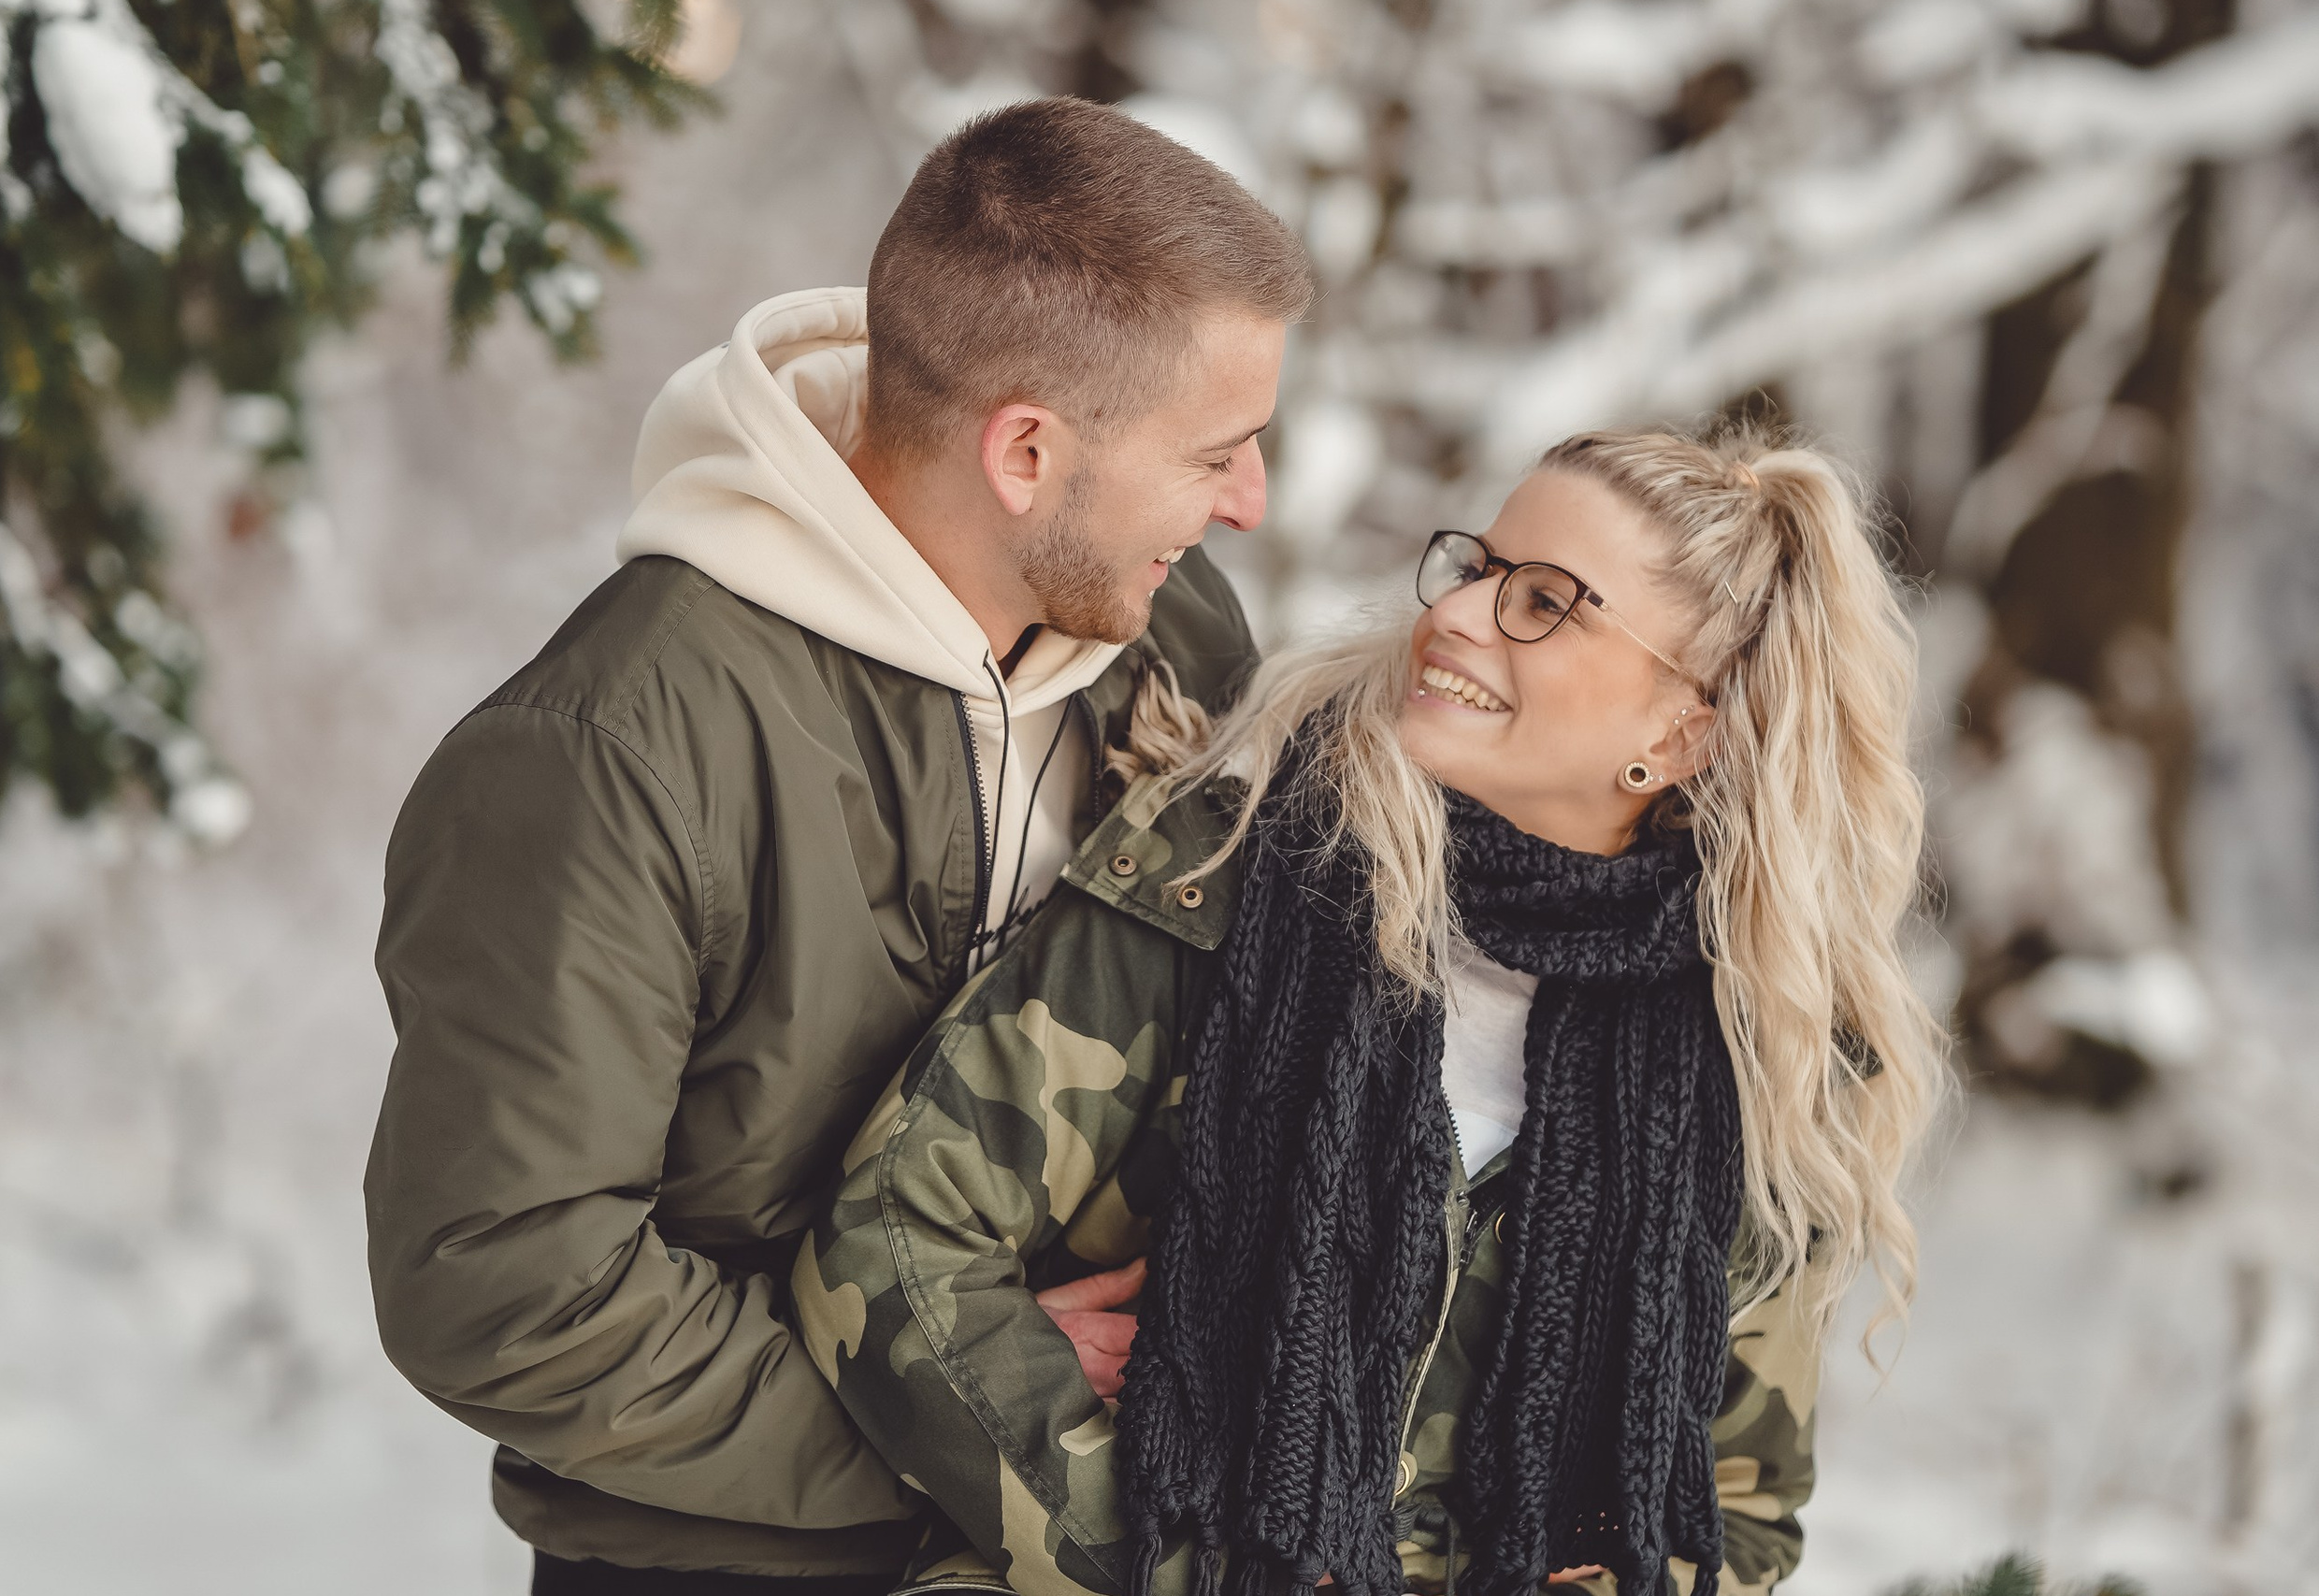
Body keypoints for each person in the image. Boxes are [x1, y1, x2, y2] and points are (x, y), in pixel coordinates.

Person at [365, 97, 1313, 1594]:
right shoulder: (606, 751)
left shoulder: (1171, 637)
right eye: (1220, 449)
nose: (1251, 502)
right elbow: (507, 1289)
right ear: (1025, 450)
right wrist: (969, 1402)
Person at [797, 422, 1952, 1596]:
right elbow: (896, 1236)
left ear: (1680, 730)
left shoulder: (1757, 1062)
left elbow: (1736, 1512)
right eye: (1476, 569)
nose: (1455, 615)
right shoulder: (1231, 869)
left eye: (1545, 601)